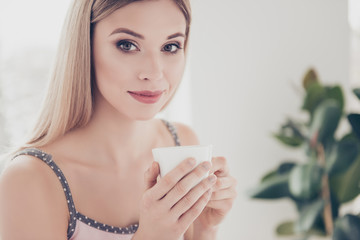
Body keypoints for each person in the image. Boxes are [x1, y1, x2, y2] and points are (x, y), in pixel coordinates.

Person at [0, 0, 237, 239]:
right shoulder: (30, 179)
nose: (154, 73)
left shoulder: (181, 143)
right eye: (127, 45)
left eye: (171, 46)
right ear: (85, 45)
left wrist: (205, 229)